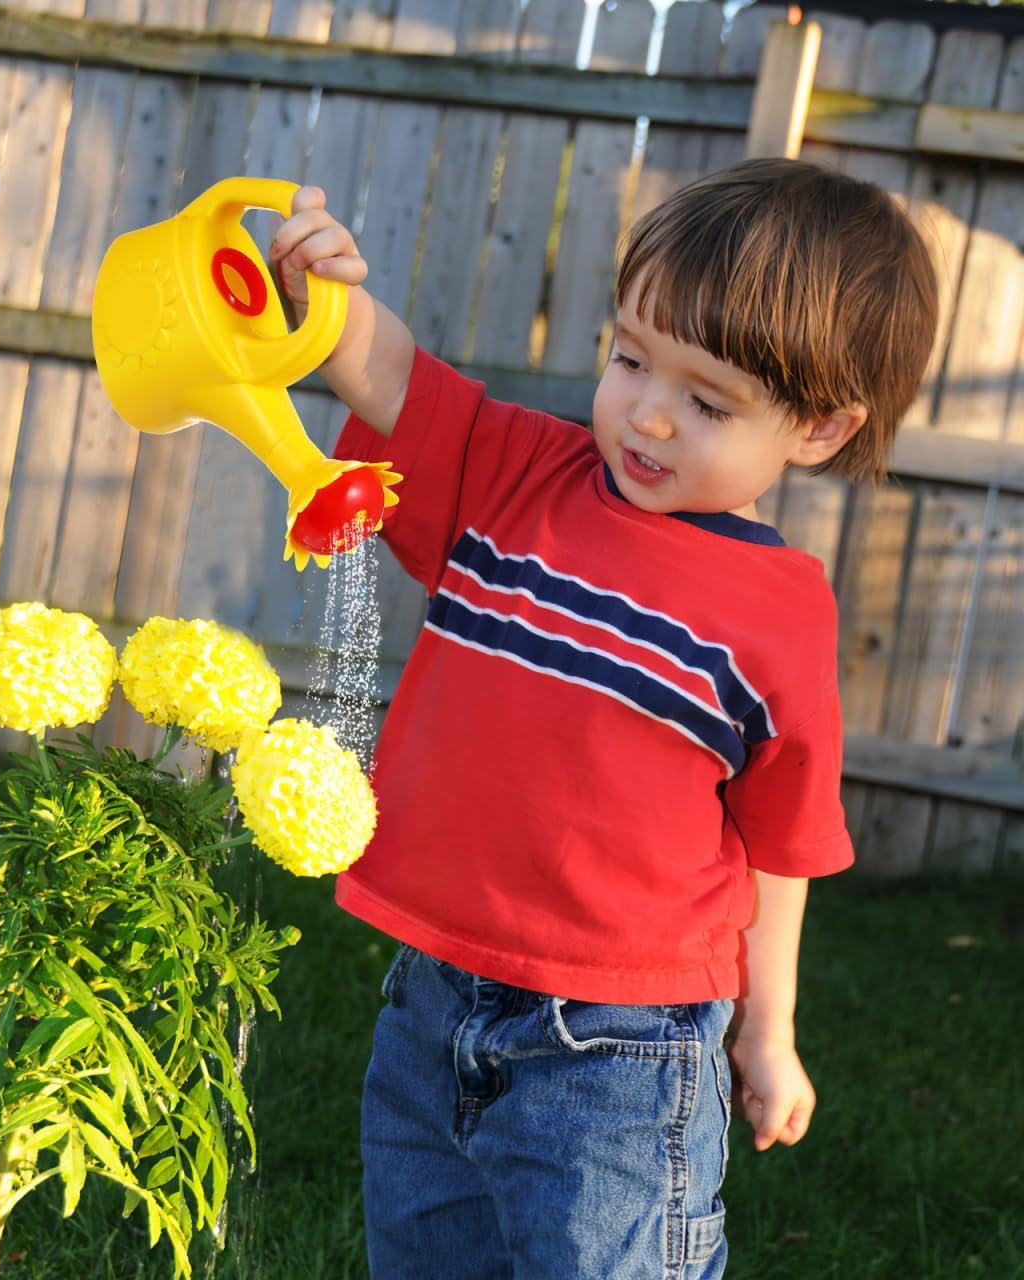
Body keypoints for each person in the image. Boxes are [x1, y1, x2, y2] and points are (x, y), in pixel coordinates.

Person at [268, 157, 938, 1279]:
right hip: (430, 1005)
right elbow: (389, 377)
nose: (648, 413)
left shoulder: (777, 616)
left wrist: (764, 1033)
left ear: (818, 428)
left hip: (620, 1056)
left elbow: (780, 847)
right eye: (627, 357)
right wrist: (320, 296)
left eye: (706, 400)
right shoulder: (516, 472)